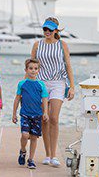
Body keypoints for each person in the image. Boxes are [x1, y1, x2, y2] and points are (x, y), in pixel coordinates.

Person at [31, 17, 75, 167]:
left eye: (50, 29)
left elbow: (68, 66)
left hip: (58, 83)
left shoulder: (63, 45)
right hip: (41, 83)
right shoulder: (37, 45)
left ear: (56, 30)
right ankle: (48, 154)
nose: (47, 32)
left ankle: (55, 155)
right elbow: (32, 67)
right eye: (45, 29)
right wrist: (27, 87)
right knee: (45, 118)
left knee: (54, 118)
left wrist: (73, 86)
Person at [12, 58, 49, 169]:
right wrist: (14, 114)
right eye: (31, 68)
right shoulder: (22, 84)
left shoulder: (41, 84)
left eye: (35, 69)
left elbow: (45, 99)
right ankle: (23, 150)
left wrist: (45, 112)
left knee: (34, 137)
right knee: (25, 135)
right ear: (26, 70)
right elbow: (17, 99)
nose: (33, 71)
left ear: (39, 70)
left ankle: (31, 159)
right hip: (25, 114)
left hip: (37, 115)